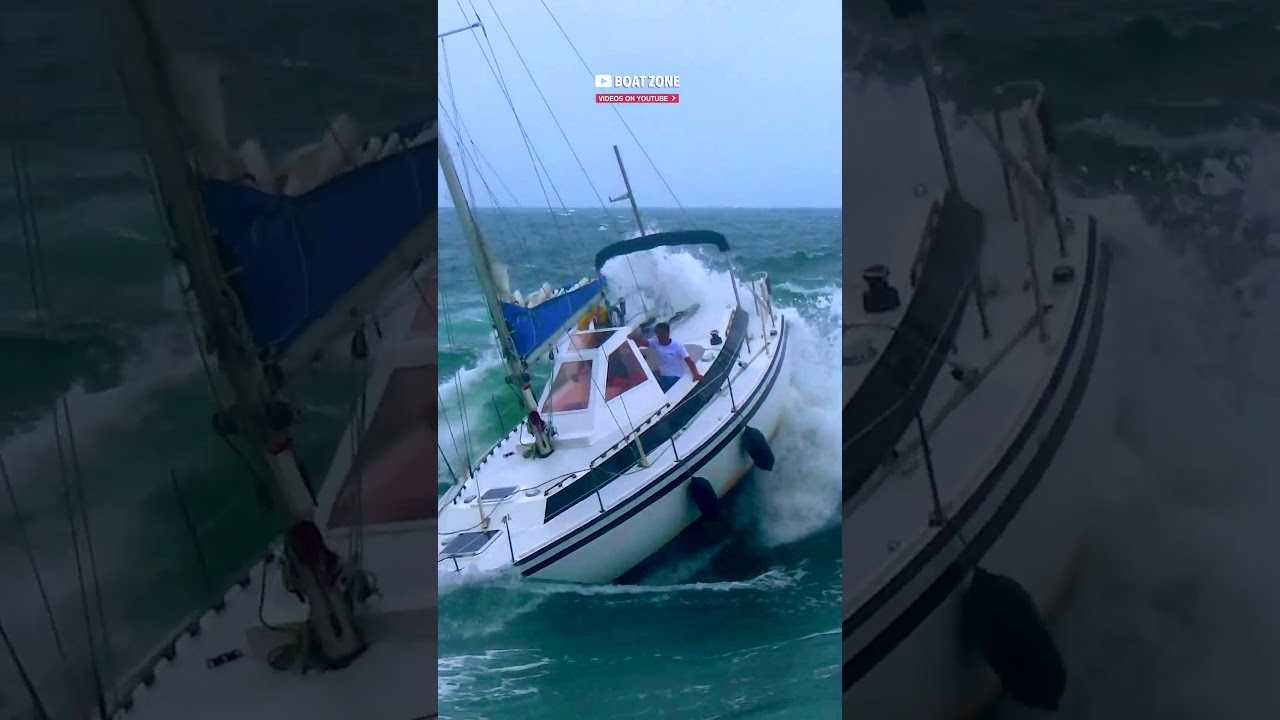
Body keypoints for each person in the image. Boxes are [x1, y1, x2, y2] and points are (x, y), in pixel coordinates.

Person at [629, 321, 703, 392]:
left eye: (662, 334)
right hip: (662, 374)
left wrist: (695, 374)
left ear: (668, 333)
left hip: (674, 376)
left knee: (658, 391)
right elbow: (642, 343)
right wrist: (632, 337)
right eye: (658, 334)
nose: (660, 337)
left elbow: (689, 361)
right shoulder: (655, 342)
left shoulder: (678, 346)